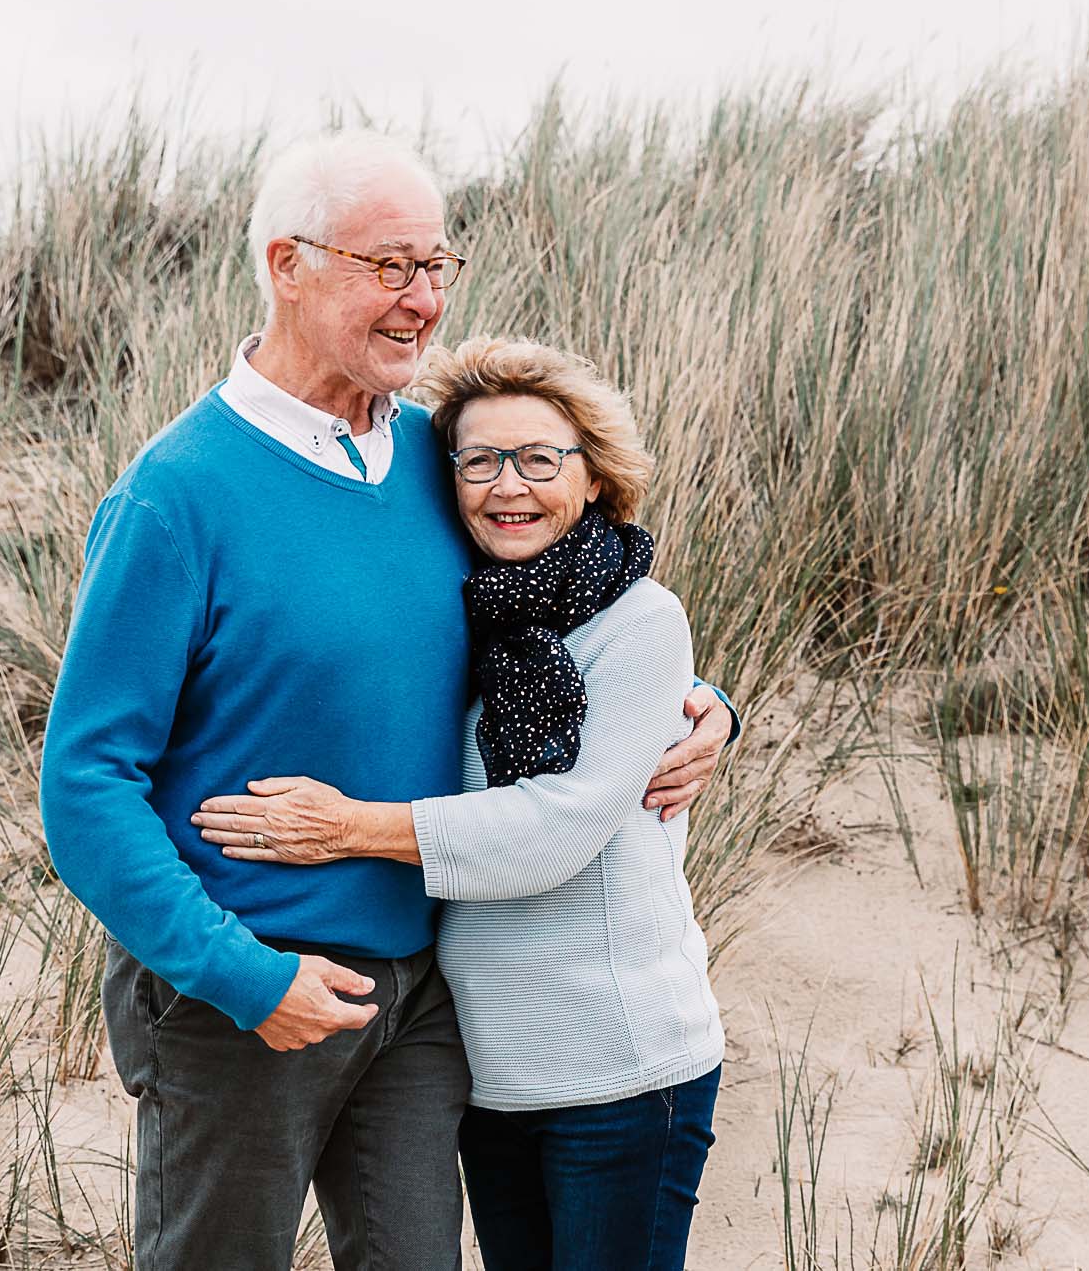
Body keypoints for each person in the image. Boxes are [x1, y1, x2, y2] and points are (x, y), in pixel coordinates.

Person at [37, 130, 736, 1271]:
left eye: (436, 266)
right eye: (389, 267)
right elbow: (83, 785)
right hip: (238, 987)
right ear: (287, 264)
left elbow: (566, 618)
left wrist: (697, 703)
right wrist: (242, 976)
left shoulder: (435, 461)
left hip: (420, 1000)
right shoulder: (176, 498)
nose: (422, 300)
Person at [193, 337, 725, 1270]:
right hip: (493, 1072)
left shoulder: (643, 621)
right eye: (479, 461)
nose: (507, 486)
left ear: (595, 477)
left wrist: (347, 828)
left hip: (623, 1065)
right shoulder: (465, 613)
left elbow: (561, 826)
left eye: (538, 459)